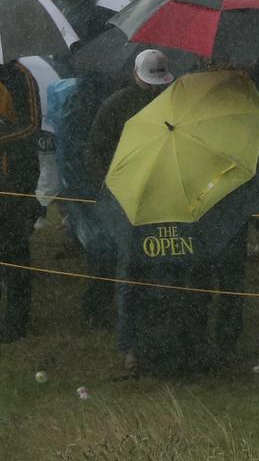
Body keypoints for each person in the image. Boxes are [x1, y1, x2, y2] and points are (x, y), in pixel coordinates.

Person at [86, 49, 174, 370]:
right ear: (135, 75)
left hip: (165, 197)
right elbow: (95, 152)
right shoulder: (114, 107)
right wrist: (111, 188)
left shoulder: (172, 101)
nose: (153, 89)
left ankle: (162, 343)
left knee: (164, 270)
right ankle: (130, 348)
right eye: (150, 82)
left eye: (158, 83)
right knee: (129, 271)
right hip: (126, 200)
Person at [0, 60, 40, 342]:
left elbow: (32, 125)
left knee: (14, 250)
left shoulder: (20, 75)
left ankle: (16, 321)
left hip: (16, 178)